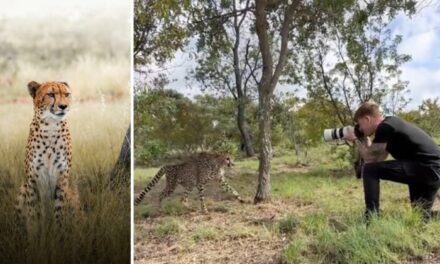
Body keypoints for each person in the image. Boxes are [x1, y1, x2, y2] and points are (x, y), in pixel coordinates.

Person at [344, 101, 440, 221]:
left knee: (369, 170)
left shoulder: (385, 127)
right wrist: (364, 138)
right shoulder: (391, 125)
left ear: (367, 119)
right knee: (421, 216)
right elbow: (375, 159)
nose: (360, 128)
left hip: (425, 168)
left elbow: (369, 161)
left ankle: (371, 216)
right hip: (431, 173)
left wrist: (357, 139)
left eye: (360, 124)